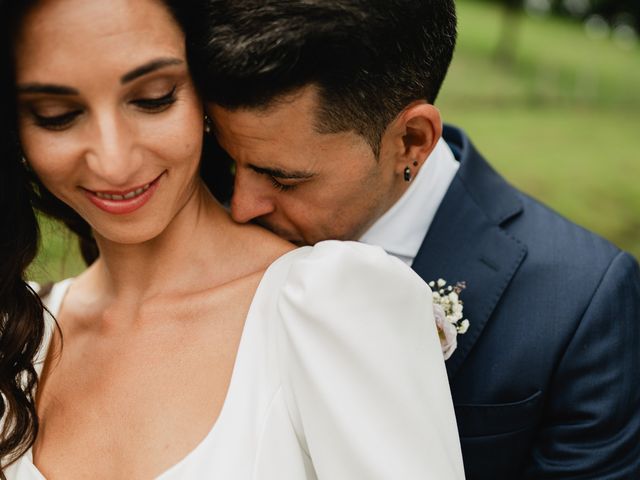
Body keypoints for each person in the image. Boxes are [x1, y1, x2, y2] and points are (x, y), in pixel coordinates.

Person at [0, 0, 466, 478]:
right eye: (56, 115)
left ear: (206, 92)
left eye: (154, 98)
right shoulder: (17, 334)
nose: (113, 162)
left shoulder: (328, 303)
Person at [187, 1, 640, 478]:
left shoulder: (582, 307)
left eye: (283, 180)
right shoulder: (198, 211)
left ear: (412, 141)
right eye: (232, 160)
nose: (239, 208)